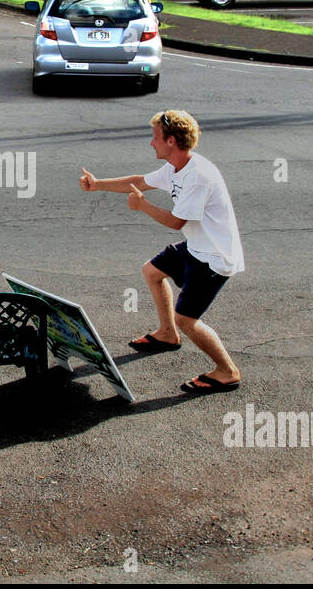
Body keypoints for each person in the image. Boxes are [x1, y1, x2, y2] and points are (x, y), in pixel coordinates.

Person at [79, 110, 244, 395]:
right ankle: (167, 334)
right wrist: (97, 185)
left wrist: (142, 206)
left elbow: (176, 221)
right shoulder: (176, 167)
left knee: (188, 320)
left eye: (155, 137)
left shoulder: (198, 176)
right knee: (152, 271)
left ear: (171, 141)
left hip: (214, 258)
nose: (151, 143)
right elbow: (139, 182)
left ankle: (227, 371)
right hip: (197, 247)